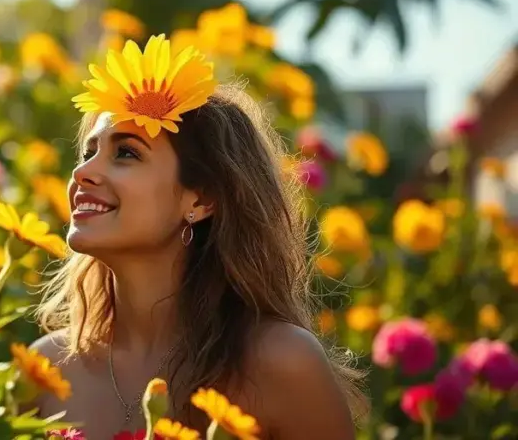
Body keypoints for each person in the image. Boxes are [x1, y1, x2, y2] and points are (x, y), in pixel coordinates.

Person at [29, 36, 368, 439]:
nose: (83, 173)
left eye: (127, 153)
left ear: (201, 198)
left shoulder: (281, 362)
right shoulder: (45, 371)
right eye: (89, 152)